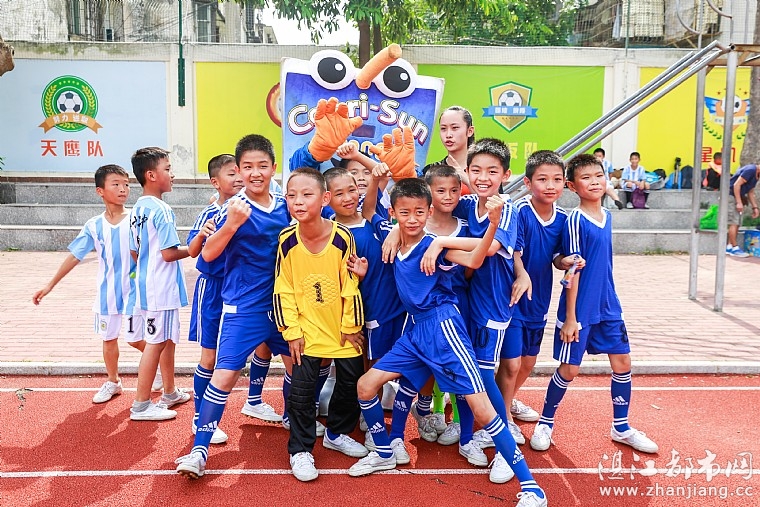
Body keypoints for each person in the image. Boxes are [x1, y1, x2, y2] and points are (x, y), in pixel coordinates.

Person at [352, 176, 547, 507]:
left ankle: (531, 487)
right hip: (417, 332)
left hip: (445, 330)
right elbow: (370, 212)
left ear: (429, 212)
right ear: (394, 213)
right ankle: (384, 452)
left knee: (483, 410)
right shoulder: (393, 237)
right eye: (404, 213)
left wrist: (492, 225)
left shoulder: (434, 246)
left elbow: (475, 259)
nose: (412, 219)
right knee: (366, 385)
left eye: (419, 212)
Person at [175, 134, 293, 479]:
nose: (255, 173)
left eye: (262, 166)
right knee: (225, 374)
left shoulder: (287, 206)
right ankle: (200, 451)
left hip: (284, 307)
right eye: (248, 167)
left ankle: (294, 424)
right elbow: (206, 256)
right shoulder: (230, 208)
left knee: (297, 369)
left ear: (273, 168)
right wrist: (231, 224)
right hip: (244, 308)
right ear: (239, 170)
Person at [529, 154, 658, 456]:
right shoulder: (575, 220)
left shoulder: (607, 216)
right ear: (573, 186)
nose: (595, 182)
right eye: (586, 178)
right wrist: (570, 317)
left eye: (599, 176)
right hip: (579, 310)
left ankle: (621, 427)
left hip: (608, 305)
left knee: (623, 363)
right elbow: (572, 269)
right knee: (570, 369)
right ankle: (545, 423)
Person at [274, 168, 368, 482]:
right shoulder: (287, 241)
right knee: (301, 392)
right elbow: (283, 289)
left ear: (325, 198)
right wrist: (292, 332)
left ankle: (337, 433)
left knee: (351, 381)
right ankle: (300, 450)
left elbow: (350, 284)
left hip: (341, 329)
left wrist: (351, 326)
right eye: (292, 196)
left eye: (307, 194)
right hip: (306, 331)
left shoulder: (342, 237)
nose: (298, 201)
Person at [33, 164, 145, 404]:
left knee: (136, 339)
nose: (123, 189)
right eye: (116, 184)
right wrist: (50, 285)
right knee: (108, 338)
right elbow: (75, 256)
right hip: (107, 294)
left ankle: (156, 367)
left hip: (135, 291)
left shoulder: (136, 219)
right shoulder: (94, 225)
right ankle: (113, 382)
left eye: (126, 184)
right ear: (100, 191)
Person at [323, 167, 410, 455]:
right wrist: (358, 278)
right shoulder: (334, 233)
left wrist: (375, 179)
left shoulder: (373, 219)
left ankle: (374, 415)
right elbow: (338, 281)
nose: (348, 197)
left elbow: (372, 203)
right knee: (372, 368)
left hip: (398, 307)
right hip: (371, 312)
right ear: (327, 198)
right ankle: (371, 423)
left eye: (352, 189)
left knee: (389, 366)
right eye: (339, 193)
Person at [497, 151, 583, 428]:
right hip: (511, 299)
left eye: (557, 179)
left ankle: (505, 401)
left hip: (539, 301)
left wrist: (566, 261)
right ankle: (503, 418)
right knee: (510, 364)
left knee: (528, 362)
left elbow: (557, 258)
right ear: (527, 182)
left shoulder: (563, 219)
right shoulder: (519, 211)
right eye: (542, 179)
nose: (550, 185)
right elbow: (514, 252)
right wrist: (521, 274)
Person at [129, 147, 192, 421]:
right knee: (157, 343)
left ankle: (169, 391)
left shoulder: (137, 208)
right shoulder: (162, 210)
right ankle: (141, 405)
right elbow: (169, 253)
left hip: (148, 286)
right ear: (151, 175)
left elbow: (135, 251)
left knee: (166, 340)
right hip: (161, 289)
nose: (172, 174)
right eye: (167, 169)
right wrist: (196, 248)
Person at [186, 154, 244, 445]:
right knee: (209, 356)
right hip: (212, 288)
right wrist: (203, 234)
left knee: (235, 356)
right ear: (215, 182)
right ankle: (199, 417)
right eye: (231, 174)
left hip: (241, 289)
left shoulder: (249, 208)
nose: (238, 178)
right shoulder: (210, 212)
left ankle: (256, 401)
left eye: (240, 172)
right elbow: (192, 250)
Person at [422, 165, 472, 445]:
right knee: (433, 361)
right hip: (427, 308)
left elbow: (472, 266)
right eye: (440, 190)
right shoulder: (417, 226)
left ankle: (461, 425)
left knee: (458, 362)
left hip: (459, 303)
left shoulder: (465, 227)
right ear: (427, 192)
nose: (449, 196)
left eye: (454, 190)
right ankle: (436, 410)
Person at [423, 105, 474, 192]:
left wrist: (467, 181)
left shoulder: (482, 170)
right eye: (443, 129)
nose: (448, 135)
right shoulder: (431, 170)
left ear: (470, 131)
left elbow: (494, 198)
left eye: (455, 128)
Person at [726, 162, 760, 257]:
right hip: (731, 196)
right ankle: (735, 247)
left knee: (737, 222)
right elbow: (736, 185)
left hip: (738, 196)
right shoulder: (750, 170)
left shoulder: (757, 175)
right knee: (734, 222)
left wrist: (755, 207)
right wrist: (738, 202)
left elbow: (750, 192)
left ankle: (729, 247)